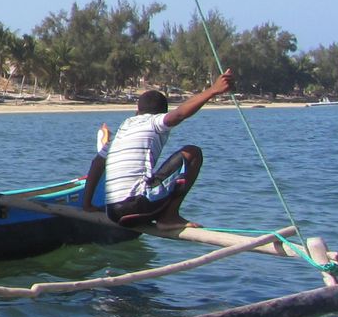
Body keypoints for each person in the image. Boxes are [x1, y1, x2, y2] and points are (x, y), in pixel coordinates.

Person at [81, 68, 236, 229]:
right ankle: (169, 217)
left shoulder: (123, 129)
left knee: (148, 177)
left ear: (137, 111)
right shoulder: (154, 122)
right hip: (138, 206)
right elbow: (179, 115)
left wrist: (87, 205)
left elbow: (96, 164)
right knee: (193, 152)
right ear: (161, 113)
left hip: (112, 212)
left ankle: (156, 211)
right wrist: (213, 90)